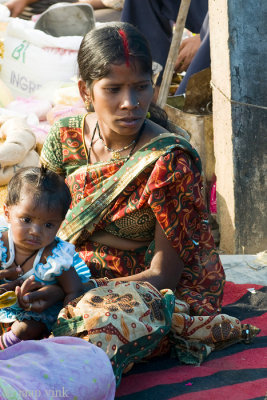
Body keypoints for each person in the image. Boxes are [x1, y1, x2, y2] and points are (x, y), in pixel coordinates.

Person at [33, 22, 257, 371]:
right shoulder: (65, 139)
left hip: (133, 290)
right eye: (114, 89)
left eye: (141, 88)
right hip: (63, 272)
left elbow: (164, 274)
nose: (130, 103)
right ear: (85, 91)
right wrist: (36, 275)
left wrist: (74, 290)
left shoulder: (168, 160)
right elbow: (37, 220)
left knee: (98, 329)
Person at [0, 166, 90, 349]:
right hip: (4, 305)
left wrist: (64, 323)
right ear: (7, 213)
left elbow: (74, 290)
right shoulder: (2, 243)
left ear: (60, 225)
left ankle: (5, 347)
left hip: (36, 311)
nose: (35, 232)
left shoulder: (54, 256)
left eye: (48, 224)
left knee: (27, 329)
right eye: (26, 220)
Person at [121, 0, 210, 95]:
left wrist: (203, 37)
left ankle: (184, 102)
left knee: (210, 40)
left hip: (221, 19)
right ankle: (147, 85)